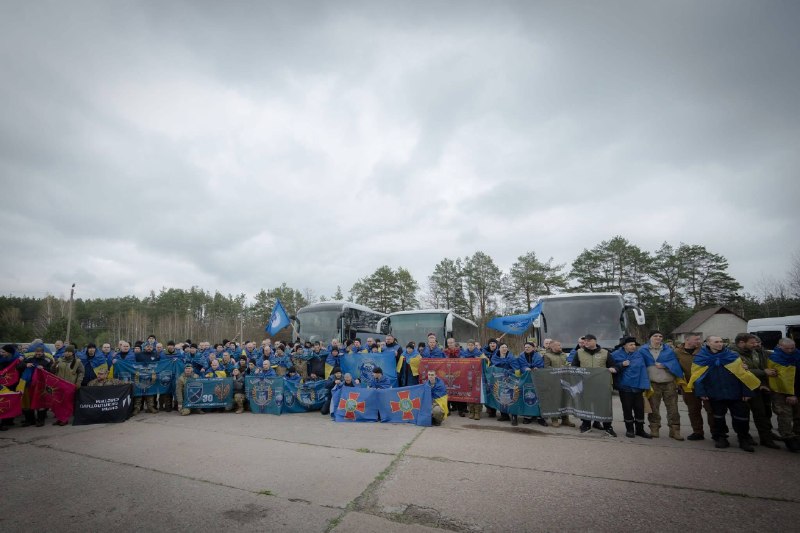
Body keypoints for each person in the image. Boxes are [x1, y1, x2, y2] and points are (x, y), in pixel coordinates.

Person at [687, 336, 760, 452]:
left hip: (735, 393)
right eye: (716, 342)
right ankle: (721, 438)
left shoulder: (732, 356)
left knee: (741, 418)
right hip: (715, 393)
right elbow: (697, 377)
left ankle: (743, 439)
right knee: (718, 418)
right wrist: (701, 392)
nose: (720, 344)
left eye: (721, 341)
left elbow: (744, 375)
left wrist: (747, 392)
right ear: (708, 343)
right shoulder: (701, 358)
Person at [732, 333, 780, 449]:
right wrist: (763, 372)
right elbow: (741, 372)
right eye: (752, 343)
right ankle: (745, 437)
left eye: (757, 342)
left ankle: (766, 437)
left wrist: (763, 383)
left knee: (761, 413)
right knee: (743, 415)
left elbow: (759, 367)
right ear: (742, 343)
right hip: (742, 388)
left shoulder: (754, 352)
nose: (756, 345)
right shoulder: (733, 354)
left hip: (757, 387)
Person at [639, 331, 685, 440]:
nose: (658, 337)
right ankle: (654, 429)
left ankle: (675, 430)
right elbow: (638, 365)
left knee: (673, 408)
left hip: (669, 383)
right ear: (650, 338)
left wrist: (665, 364)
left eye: (660, 336)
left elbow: (675, 364)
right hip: (652, 383)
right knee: (653, 408)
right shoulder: (642, 350)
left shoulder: (669, 350)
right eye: (655, 336)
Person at [571, 334, 617, 437]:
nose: (586, 342)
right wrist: (577, 372)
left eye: (588, 341)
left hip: (601, 385)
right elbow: (574, 366)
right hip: (585, 384)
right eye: (585, 341)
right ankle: (586, 424)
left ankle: (607, 426)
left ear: (595, 341)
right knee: (586, 405)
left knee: (603, 405)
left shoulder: (605, 353)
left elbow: (614, 365)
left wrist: (613, 369)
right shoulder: (579, 352)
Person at [675, 333, 714, 441]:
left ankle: (715, 432)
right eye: (696, 339)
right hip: (688, 386)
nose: (699, 341)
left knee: (711, 409)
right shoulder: (677, 352)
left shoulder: (705, 350)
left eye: (699, 339)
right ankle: (698, 432)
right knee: (693, 410)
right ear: (687, 340)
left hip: (706, 385)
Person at [611, 337, 652, 438]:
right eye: (631, 345)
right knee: (627, 409)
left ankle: (640, 430)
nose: (634, 347)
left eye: (634, 345)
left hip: (638, 386)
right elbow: (611, 367)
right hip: (625, 387)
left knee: (639, 409)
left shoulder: (639, 354)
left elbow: (646, 365)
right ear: (624, 346)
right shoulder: (615, 354)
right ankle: (629, 430)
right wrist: (621, 364)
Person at [766, 338, 800, 452]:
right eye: (787, 348)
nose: (790, 350)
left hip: (797, 389)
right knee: (785, 415)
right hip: (780, 392)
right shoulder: (774, 358)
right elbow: (781, 379)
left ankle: (797, 435)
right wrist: (790, 394)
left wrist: (795, 393)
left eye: (792, 348)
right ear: (779, 346)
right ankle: (788, 438)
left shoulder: (798, 355)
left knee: (798, 414)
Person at [18, 345, 55, 427]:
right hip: (28, 383)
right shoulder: (29, 358)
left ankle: (40, 420)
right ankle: (30, 420)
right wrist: (26, 365)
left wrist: (44, 368)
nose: (38, 354)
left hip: (41, 384)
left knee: (40, 402)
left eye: (39, 353)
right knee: (28, 402)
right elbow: (19, 366)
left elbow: (52, 371)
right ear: (35, 352)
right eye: (36, 353)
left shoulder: (48, 360)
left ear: (43, 352)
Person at [542, 340, 575, 428]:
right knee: (555, 400)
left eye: (560, 345)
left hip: (564, 380)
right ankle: (554, 419)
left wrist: (567, 366)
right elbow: (546, 368)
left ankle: (565, 419)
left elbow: (567, 363)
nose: (560, 346)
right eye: (558, 345)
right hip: (553, 381)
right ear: (552, 347)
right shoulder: (547, 356)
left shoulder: (564, 354)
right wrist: (558, 370)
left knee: (565, 400)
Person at [519, 341, 547, 426]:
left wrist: (537, 368)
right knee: (526, 396)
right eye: (525, 347)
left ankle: (540, 417)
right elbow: (520, 366)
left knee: (538, 397)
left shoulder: (538, 356)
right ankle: (527, 417)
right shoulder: (521, 356)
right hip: (526, 379)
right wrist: (525, 368)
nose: (527, 348)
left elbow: (541, 365)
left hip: (537, 379)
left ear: (533, 348)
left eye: (528, 347)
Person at [461, 340, 485, 420]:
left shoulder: (479, 353)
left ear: (474, 346)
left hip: (478, 376)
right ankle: (471, 411)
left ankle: (477, 412)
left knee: (477, 394)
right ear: (467, 345)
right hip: (468, 376)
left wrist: (479, 359)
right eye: (469, 345)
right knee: (469, 393)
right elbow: (461, 362)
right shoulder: (464, 353)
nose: (470, 346)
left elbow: (486, 360)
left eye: (472, 345)